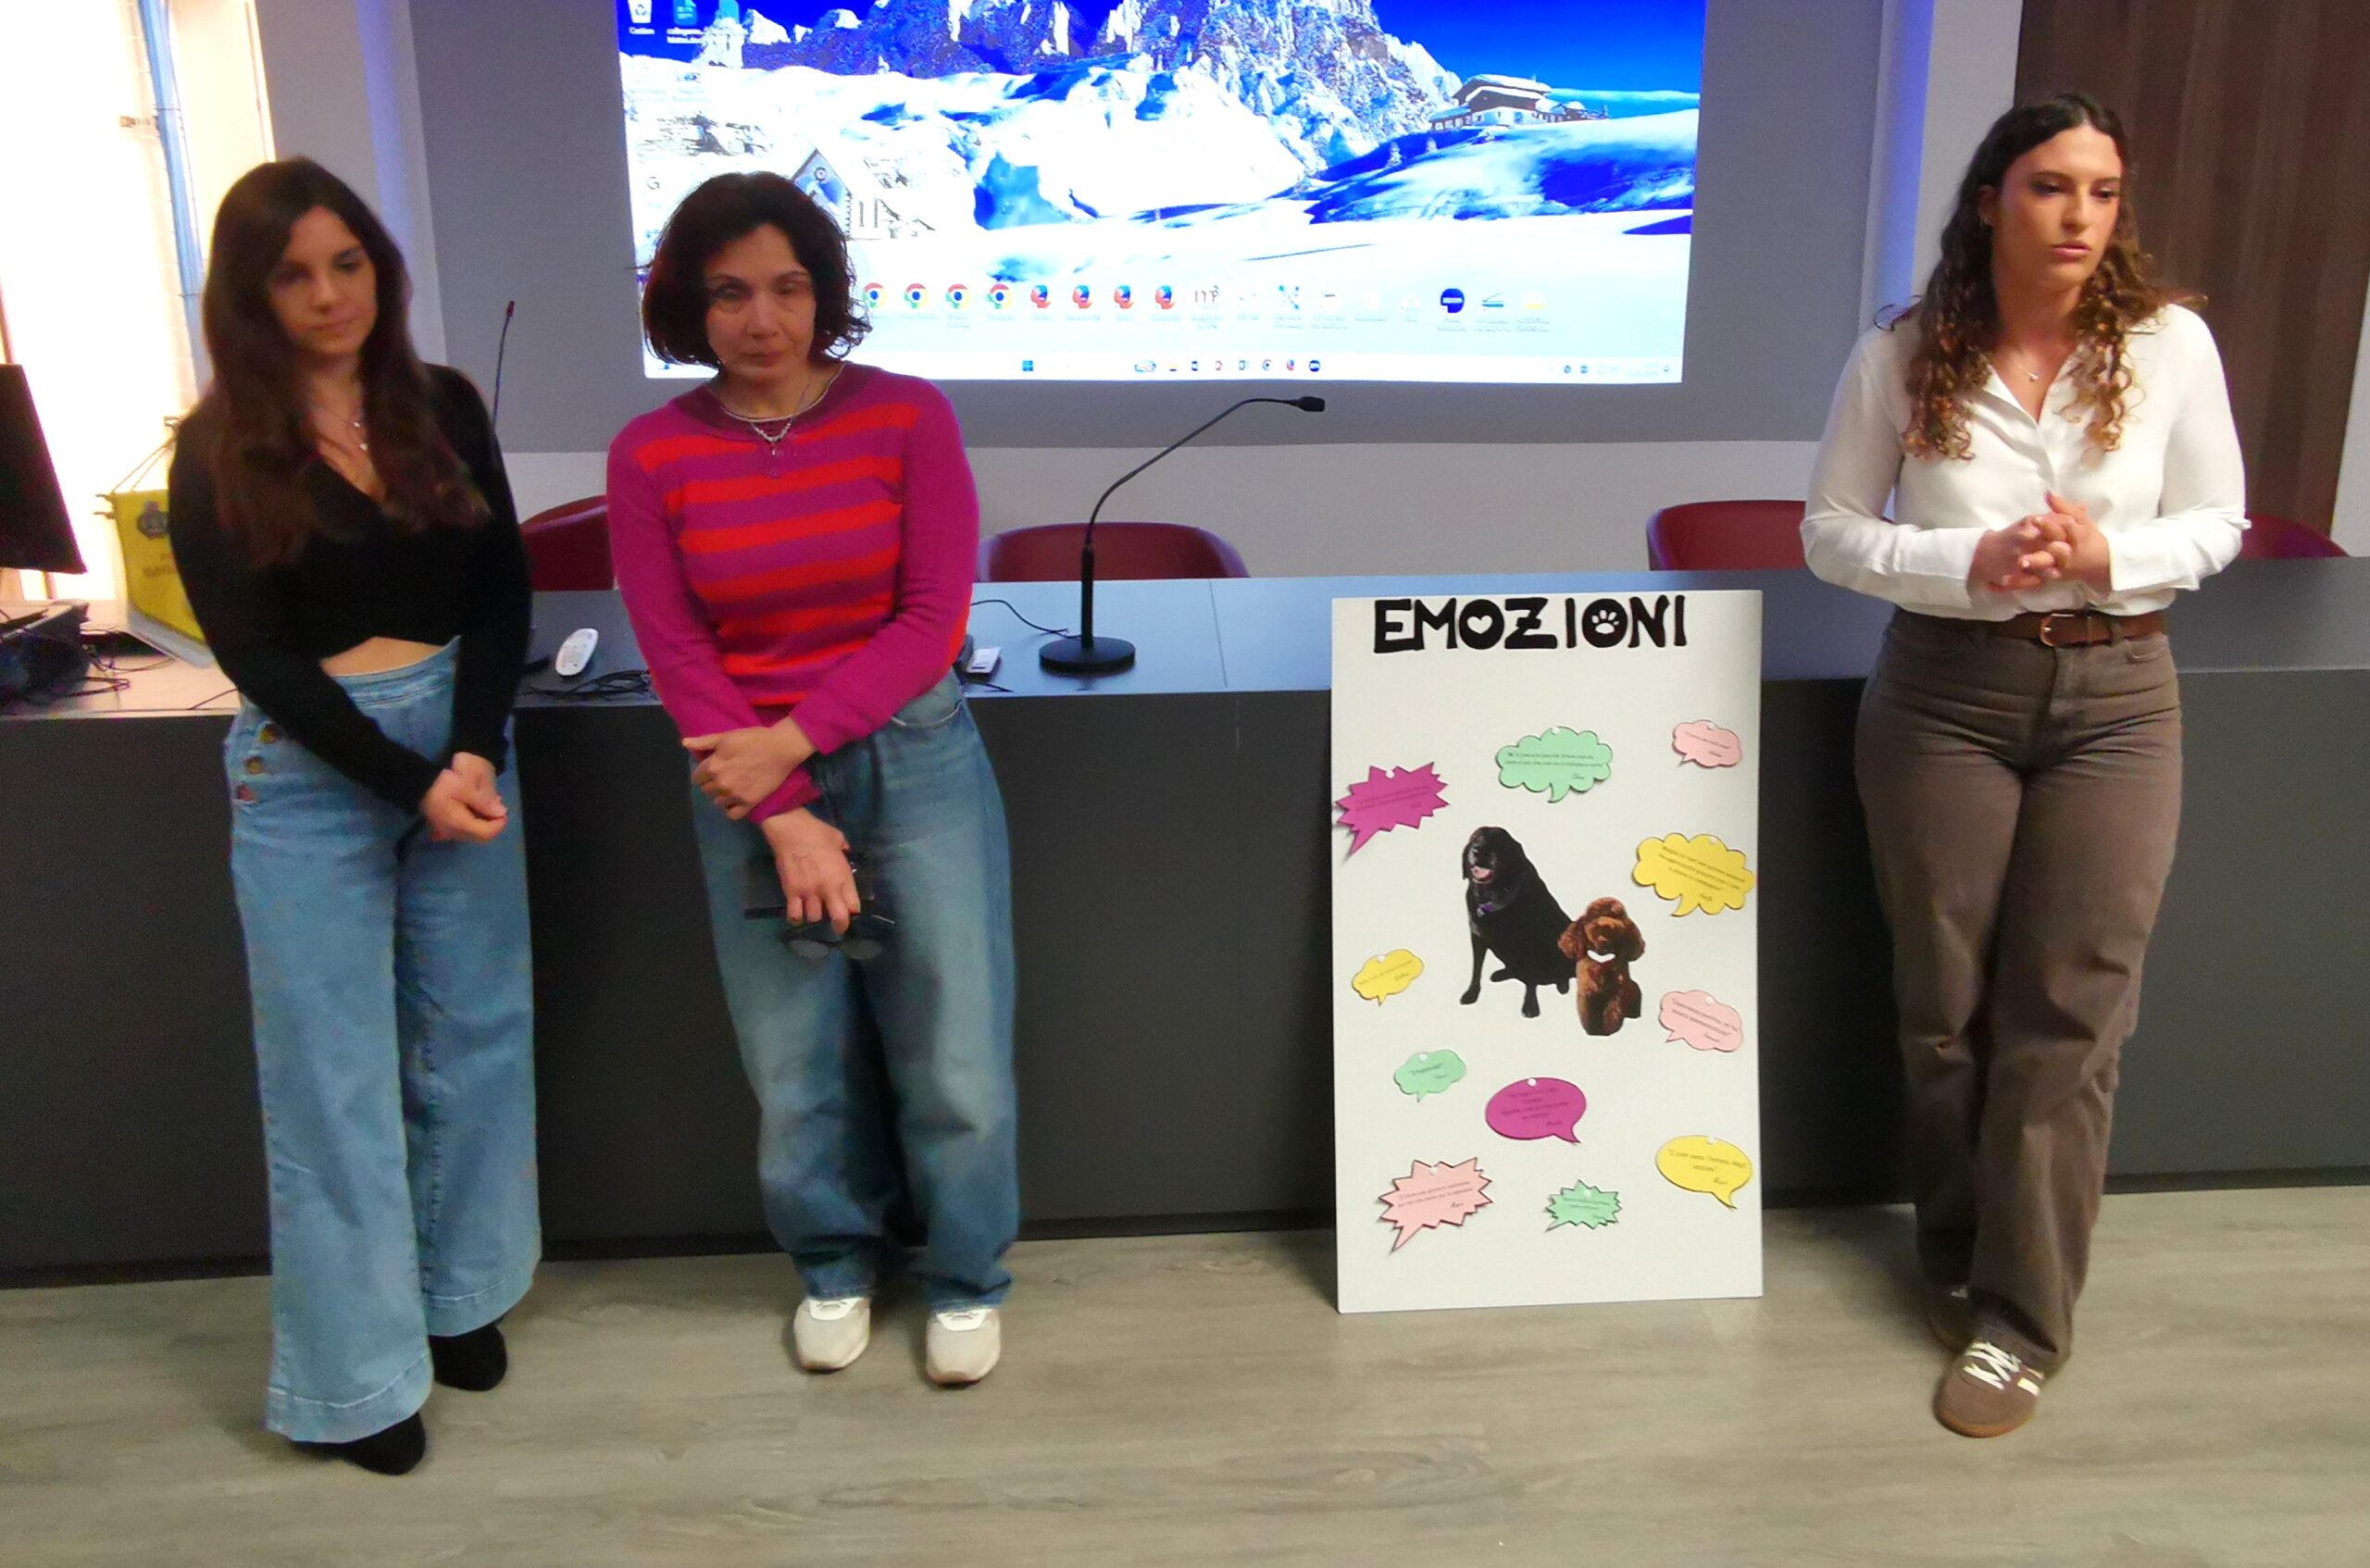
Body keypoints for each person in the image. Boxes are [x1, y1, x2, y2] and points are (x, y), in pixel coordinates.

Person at [1803, 93, 2244, 1437]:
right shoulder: (1903, 349)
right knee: (1944, 1008)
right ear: (1993, 198)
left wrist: (2111, 554)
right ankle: (1956, 1250)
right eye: (2053, 186)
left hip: (2120, 697)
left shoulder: (2169, 344)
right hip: (1945, 695)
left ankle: (2021, 1321)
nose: (2081, 217)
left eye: (2104, 192)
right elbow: (1830, 531)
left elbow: (2219, 520)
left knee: (2072, 1013)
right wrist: (1968, 560)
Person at [607, 172, 1017, 1387]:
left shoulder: (908, 417)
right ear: (690, 306)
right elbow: (677, 649)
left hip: (910, 755)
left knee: (953, 1048)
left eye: (788, 288)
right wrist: (783, 809)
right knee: (795, 1061)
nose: (763, 319)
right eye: (729, 293)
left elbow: (933, 618)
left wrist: (793, 746)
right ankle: (835, 1264)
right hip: (741, 774)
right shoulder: (651, 454)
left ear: (825, 293)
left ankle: (965, 1279)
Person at [168, 157, 538, 1474]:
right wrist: (409, 780)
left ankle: (456, 1294)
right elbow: (254, 655)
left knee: (473, 1037)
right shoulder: (217, 447)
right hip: (314, 765)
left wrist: (473, 749)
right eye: (294, 275)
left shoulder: (443, 405)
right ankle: (356, 1375)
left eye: (349, 263)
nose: (330, 295)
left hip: (461, 747)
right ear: (250, 296)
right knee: (332, 1079)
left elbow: (502, 588)